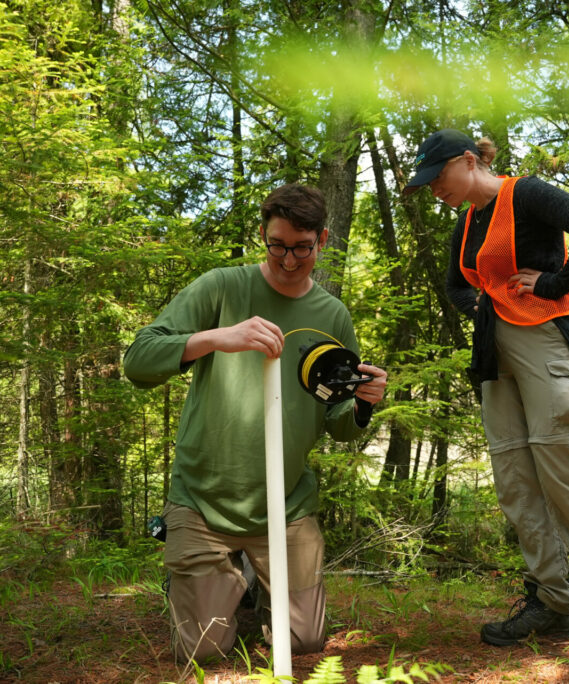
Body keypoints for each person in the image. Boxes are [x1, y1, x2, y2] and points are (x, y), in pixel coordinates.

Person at [403, 129, 569, 668]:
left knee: (567, 472)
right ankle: (550, 604)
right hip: (496, 355)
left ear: (468, 161)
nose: (434, 189)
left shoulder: (526, 193)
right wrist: (482, 309)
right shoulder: (466, 221)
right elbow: (456, 285)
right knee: (516, 480)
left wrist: (555, 283)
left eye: (437, 177)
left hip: (550, 343)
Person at [123, 183, 387, 665]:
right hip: (202, 502)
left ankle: (255, 584)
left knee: (306, 642)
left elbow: (339, 421)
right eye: (278, 245)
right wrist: (217, 337)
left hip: (285, 506)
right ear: (263, 237)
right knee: (202, 651)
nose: (289, 260)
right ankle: (216, 576)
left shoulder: (332, 315)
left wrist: (364, 405)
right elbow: (138, 361)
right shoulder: (222, 287)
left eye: (302, 248)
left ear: (322, 240)